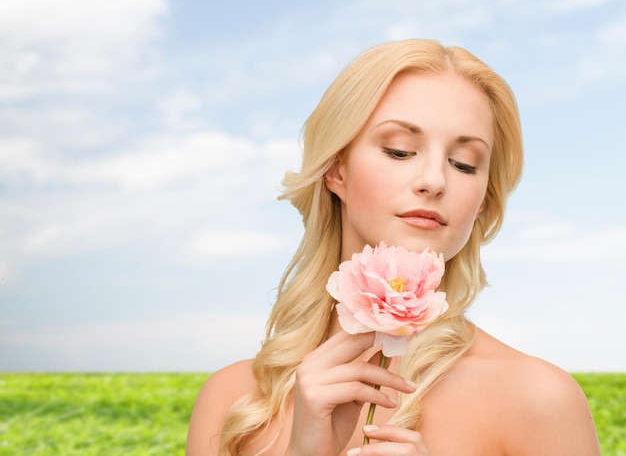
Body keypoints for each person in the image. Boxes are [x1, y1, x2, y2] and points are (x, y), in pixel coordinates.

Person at [186, 39, 601, 456]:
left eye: (464, 164)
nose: (435, 181)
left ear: (483, 202)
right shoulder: (233, 402)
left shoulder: (538, 399)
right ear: (336, 169)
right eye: (399, 150)